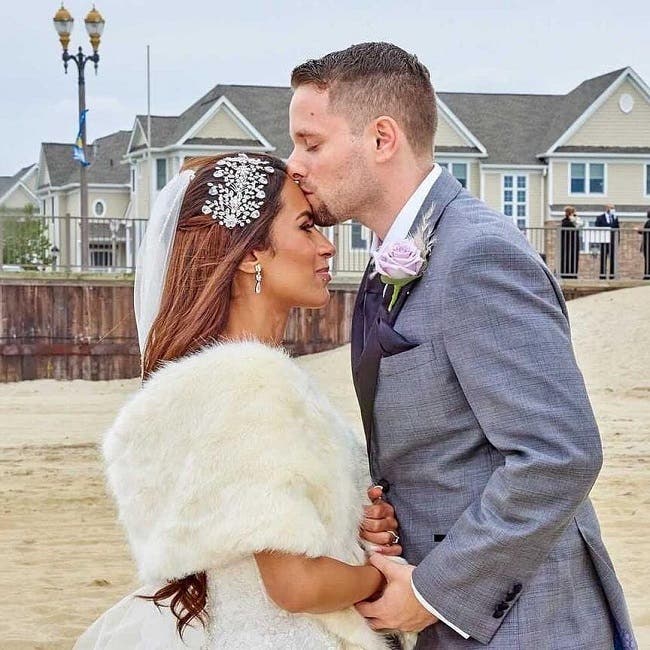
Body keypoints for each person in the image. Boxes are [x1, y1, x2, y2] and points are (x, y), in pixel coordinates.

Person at [287, 42, 637, 649]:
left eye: (310, 143)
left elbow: (559, 454)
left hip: (529, 626)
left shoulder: (478, 255)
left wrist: (432, 593)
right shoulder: (389, 261)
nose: (294, 164)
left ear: (382, 138)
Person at [74, 153, 412, 650]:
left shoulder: (214, 381)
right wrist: (383, 577)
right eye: (306, 227)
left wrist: (356, 527)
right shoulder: (249, 383)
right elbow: (296, 586)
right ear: (251, 253)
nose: (327, 246)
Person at [595, 203, 619, 279]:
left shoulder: (615, 217)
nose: (612, 209)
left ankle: (612, 276)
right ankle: (602, 275)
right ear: (606, 208)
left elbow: (617, 229)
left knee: (612, 259)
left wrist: (617, 240)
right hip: (604, 241)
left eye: (613, 208)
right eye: (611, 208)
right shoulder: (600, 217)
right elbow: (597, 228)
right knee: (603, 258)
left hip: (612, 241)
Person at [560, 205, 581, 278]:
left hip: (574, 243)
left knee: (574, 258)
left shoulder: (576, 220)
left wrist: (575, 219)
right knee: (566, 258)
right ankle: (565, 274)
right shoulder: (565, 221)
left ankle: (574, 274)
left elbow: (579, 225)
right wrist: (572, 221)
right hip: (567, 243)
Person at [638, 209, 650, 280]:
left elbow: (645, 231)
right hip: (647, 244)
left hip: (648, 244)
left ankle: (647, 275)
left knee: (647, 260)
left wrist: (638, 230)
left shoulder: (648, 223)